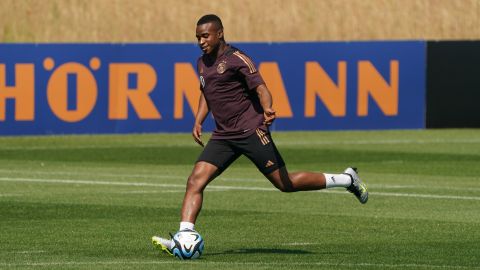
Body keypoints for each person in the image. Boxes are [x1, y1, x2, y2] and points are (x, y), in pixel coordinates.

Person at [152, 14, 368, 256]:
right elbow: (206, 91)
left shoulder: (237, 59)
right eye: (198, 37)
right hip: (224, 136)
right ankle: (184, 236)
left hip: (251, 131)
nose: (201, 41)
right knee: (195, 181)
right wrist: (198, 120)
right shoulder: (201, 62)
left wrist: (267, 108)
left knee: (285, 184)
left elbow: (261, 87)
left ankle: (347, 180)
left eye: (205, 36)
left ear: (219, 33)